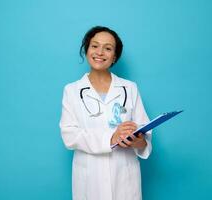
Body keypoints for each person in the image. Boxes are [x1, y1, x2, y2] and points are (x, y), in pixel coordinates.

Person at [59, 26, 152, 200]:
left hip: (124, 175)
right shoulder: (72, 90)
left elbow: (144, 134)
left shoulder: (129, 88)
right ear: (86, 49)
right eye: (94, 46)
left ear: (114, 56)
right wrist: (111, 138)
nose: (100, 52)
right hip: (89, 177)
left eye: (108, 48)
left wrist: (139, 141)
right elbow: (69, 135)